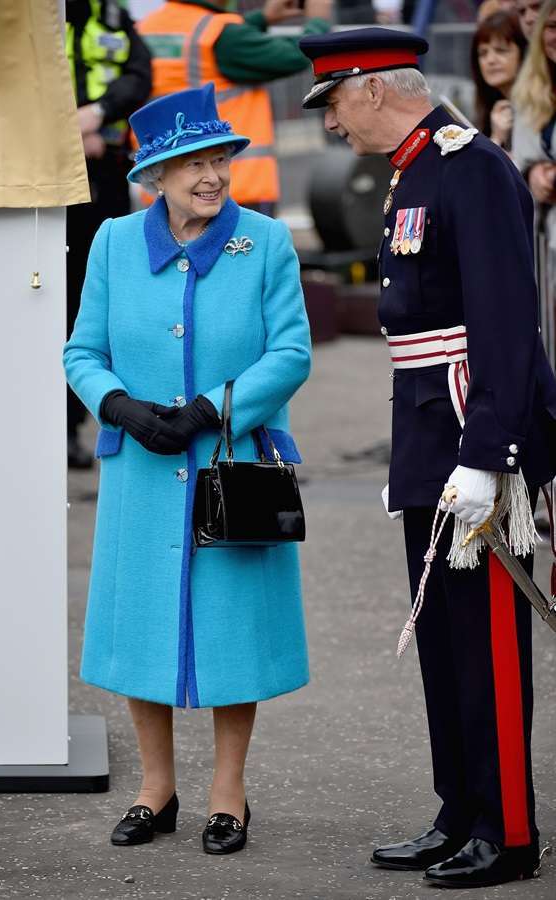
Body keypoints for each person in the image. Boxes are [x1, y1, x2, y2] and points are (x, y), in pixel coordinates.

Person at [300, 26, 556, 889]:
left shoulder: (471, 166)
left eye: (332, 102)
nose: (331, 124)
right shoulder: (416, 168)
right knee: (445, 641)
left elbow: (502, 323)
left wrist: (488, 453)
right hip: (426, 433)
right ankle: (461, 810)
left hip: (472, 437)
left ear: (373, 87)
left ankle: (508, 830)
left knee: (485, 642)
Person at [63, 83, 312, 855]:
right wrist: (118, 408)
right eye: (189, 163)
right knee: (142, 632)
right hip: (141, 471)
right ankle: (154, 790)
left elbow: (291, 352)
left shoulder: (264, 242)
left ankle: (228, 795)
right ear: (153, 177)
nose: (209, 175)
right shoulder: (111, 242)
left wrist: (211, 408)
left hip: (232, 465)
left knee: (232, 635)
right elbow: (81, 352)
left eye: (218, 160)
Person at [135, 0, 332, 216]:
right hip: (231, 189)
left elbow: (216, 41)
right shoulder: (222, 34)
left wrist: (261, 19)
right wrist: (318, 21)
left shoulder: (145, 27)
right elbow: (294, 55)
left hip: (168, 188)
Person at [65, 0, 152, 467]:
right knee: (53, 302)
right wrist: (66, 133)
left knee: (95, 301)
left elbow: (140, 76)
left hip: (106, 170)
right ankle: (60, 428)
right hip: (49, 176)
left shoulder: (113, 16)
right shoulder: (33, 16)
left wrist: (97, 114)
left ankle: (90, 422)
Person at [513, 0, 556, 247]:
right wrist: (533, 173)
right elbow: (522, 159)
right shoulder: (531, 85)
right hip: (545, 238)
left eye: (536, 7)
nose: (530, 19)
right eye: (549, 26)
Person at [471, 10, 526, 151]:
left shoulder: (540, 107)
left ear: (523, 54)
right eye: (483, 53)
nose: (490, 60)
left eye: (501, 50)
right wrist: (497, 137)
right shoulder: (488, 110)